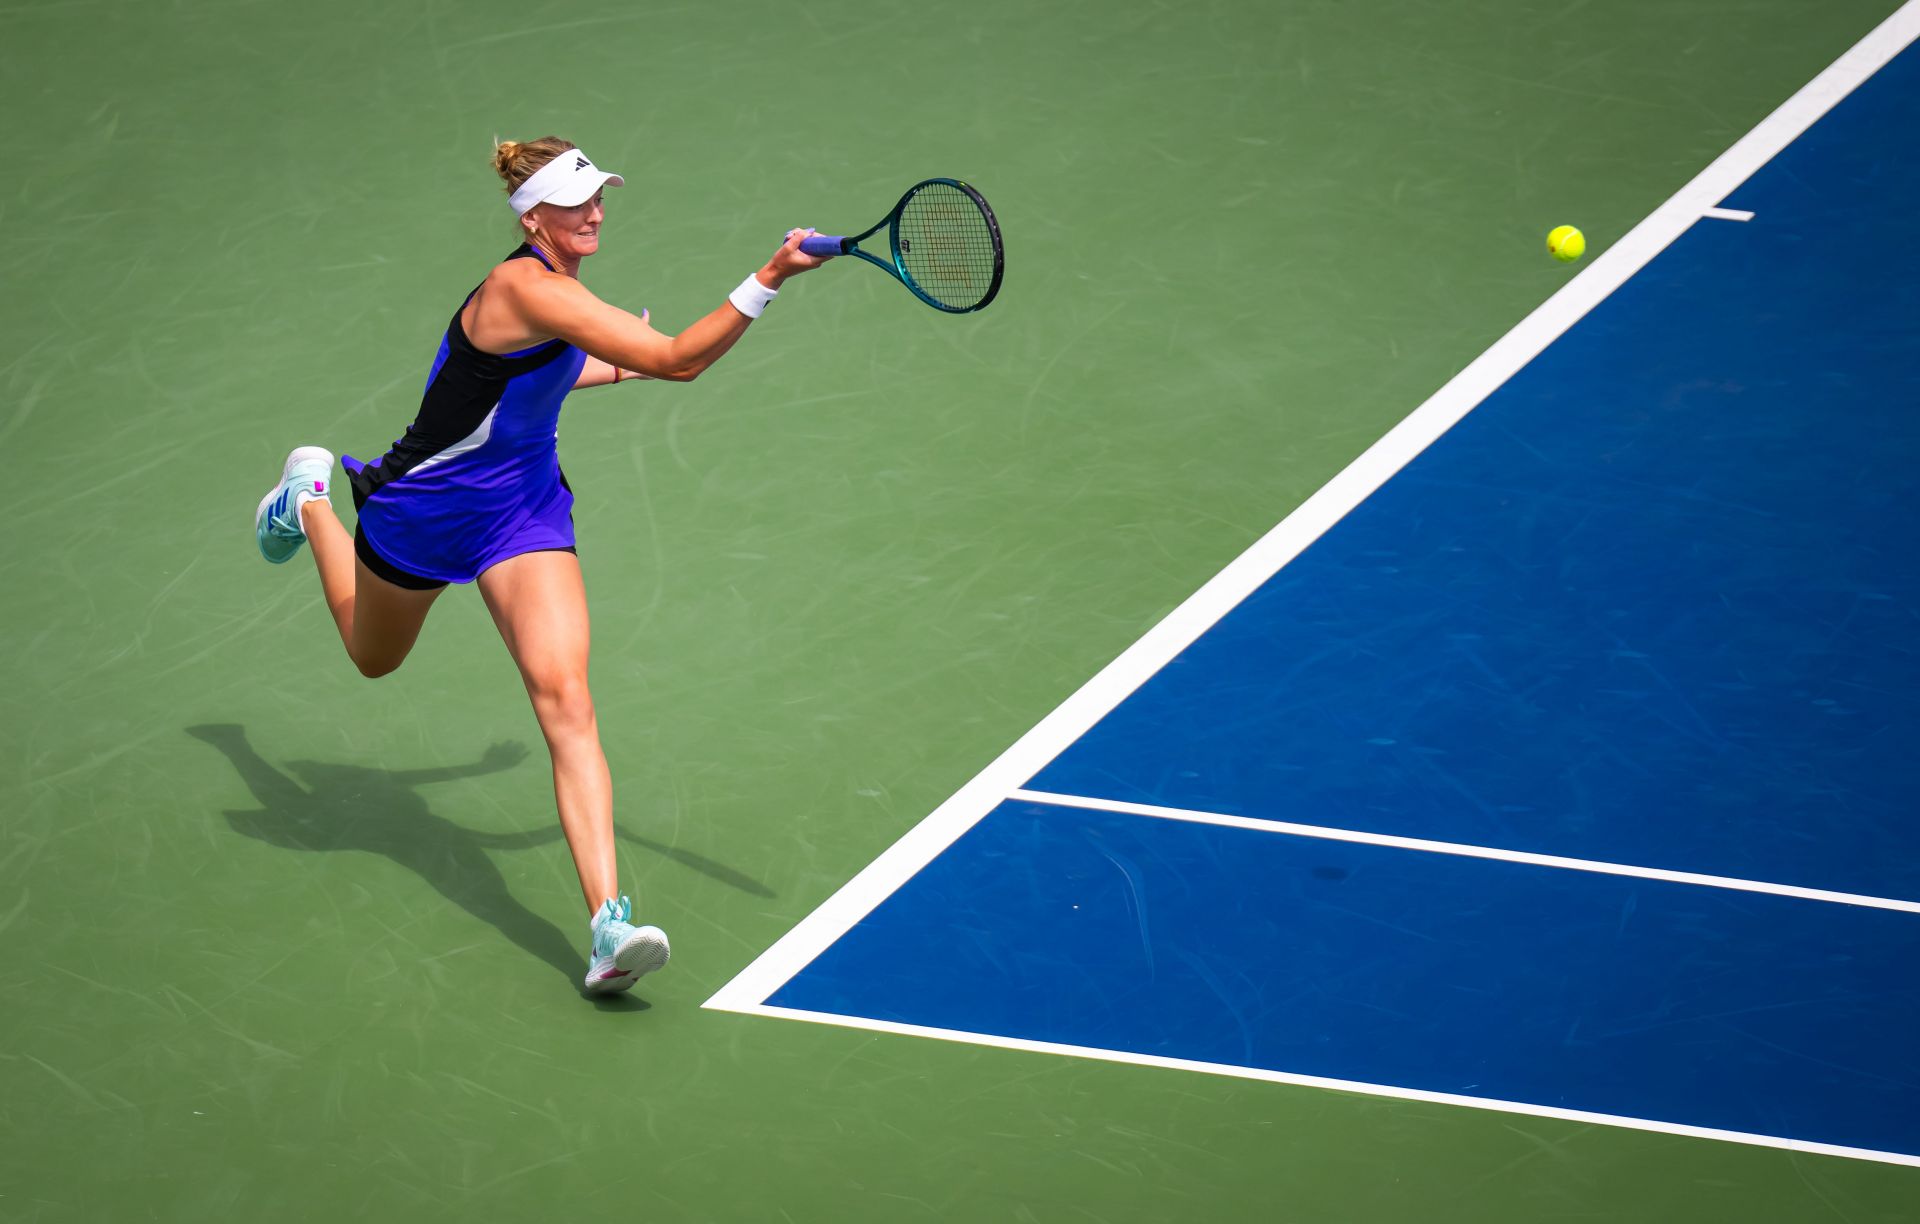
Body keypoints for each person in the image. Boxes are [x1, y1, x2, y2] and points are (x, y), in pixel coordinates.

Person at [251, 136, 827, 995]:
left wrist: (614, 366)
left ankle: (608, 926)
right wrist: (770, 275)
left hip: (521, 512)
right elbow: (682, 361)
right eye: (577, 200)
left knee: (566, 698)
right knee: (372, 657)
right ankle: (307, 500)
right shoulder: (522, 285)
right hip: (426, 510)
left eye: (601, 195)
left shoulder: (559, 291)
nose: (596, 211)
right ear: (533, 216)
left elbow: (538, 376)